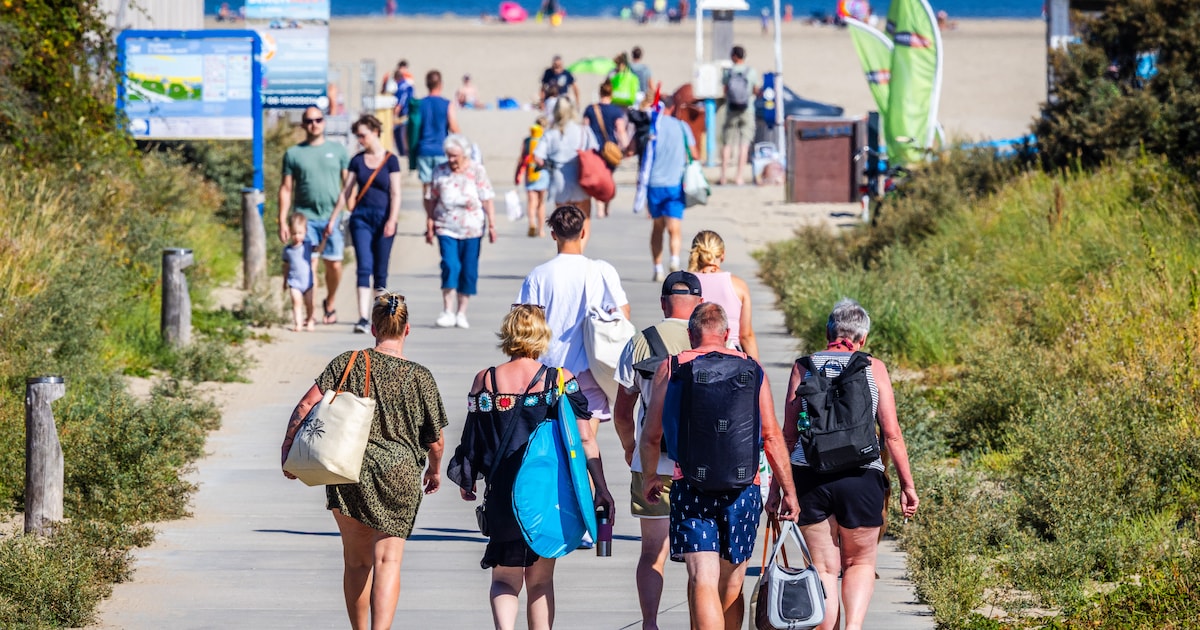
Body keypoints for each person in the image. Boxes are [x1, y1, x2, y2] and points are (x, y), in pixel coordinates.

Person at [281, 293, 448, 630]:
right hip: (400, 474)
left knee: (356, 563)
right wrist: (434, 469)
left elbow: (304, 407)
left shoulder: (348, 361)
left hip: (348, 471)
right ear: (407, 330)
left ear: (373, 328)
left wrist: (288, 448)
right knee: (388, 561)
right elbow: (435, 439)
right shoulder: (420, 377)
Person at [448, 305, 615, 630]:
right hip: (547, 495)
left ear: (508, 334)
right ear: (542, 335)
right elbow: (585, 439)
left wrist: (467, 479)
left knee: (505, 579)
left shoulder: (486, 380)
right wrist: (601, 489)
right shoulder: (560, 379)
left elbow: (473, 437)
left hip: (503, 495)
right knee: (540, 581)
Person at [638, 302, 799, 630]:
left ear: (690, 334)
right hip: (744, 489)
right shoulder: (753, 368)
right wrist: (789, 492)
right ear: (727, 335)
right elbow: (770, 435)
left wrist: (652, 476)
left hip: (691, 486)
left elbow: (651, 434)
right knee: (730, 583)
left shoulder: (672, 367)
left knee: (702, 578)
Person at [782, 299, 919, 630]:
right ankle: (853, 627)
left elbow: (788, 435)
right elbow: (892, 435)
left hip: (810, 476)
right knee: (859, 562)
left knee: (823, 568)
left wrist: (781, 489)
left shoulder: (804, 366)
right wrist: (907, 486)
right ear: (863, 338)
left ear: (828, 332)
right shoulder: (873, 367)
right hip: (862, 476)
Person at [613, 271, 703, 630]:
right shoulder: (715, 339)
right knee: (703, 557)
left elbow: (622, 412)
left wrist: (630, 447)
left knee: (652, 551)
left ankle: (650, 623)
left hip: (652, 462)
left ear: (663, 302)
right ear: (699, 302)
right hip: (703, 465)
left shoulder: (640, 342)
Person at [516, 205, 630, 433]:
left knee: (550, 441)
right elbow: (623, 314)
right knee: (587, 443)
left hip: (547, 370)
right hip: (590, 368)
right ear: (583, 232)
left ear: (553, 235)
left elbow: (524, 324)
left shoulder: (539, 275)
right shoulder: (601, 270)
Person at [279, 106, 350, 326]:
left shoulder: (338, 151)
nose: (314, 124)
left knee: (334, 265)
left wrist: (346, 210)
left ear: (324, 122)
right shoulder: (294, 153)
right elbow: (286, 188)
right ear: (303, 124)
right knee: (309, 265)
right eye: (309, 121)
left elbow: (347, 185)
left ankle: (330, 301)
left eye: (318, 120)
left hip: (331, 216)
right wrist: (282, 220)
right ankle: (310, 314)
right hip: (304, 217)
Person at [331, 115, 402, 334]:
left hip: (384, 218)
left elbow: (395, 192)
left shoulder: (391, 160)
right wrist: (333, 218)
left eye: (363, 135)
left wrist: (392, 219)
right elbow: (347, 191)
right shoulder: (357, 160)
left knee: (380, 271)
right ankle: (362, 317)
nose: (360, 139)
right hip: (361, 218)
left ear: (375, 132)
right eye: (358, 136)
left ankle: (378, 319)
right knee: (364, 267)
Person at [424, 134, 497, 330]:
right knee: (450, 264)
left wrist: (492, 224)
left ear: (464, 154)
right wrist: (429, 221)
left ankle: (461, 312)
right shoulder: (440, 171)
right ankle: (447, 310)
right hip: (445, 225)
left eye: (455, 156)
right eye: (448, 155)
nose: (451, 160)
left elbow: (487, 197)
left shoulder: (477, 170)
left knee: (468, 269)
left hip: (472, 227)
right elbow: (431, 198)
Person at [644, 95, 696, 282]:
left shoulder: (652, 127)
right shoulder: (682, 127)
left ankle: (657, 269)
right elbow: (695, 154)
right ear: (672, 108)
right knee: (674, 227)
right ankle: (674, 259)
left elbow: (643, 155)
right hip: (675, 183)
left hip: (653, 184)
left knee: (657, 227)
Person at [686, 230, 758, 359]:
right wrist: (758, 371)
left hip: (695, 353)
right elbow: (746, 335)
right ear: (722, 255)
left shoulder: (687, 283)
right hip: (731, 352)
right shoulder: (738, 285)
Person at [534, 98, 599, 218]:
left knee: (563, 223)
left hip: (559, 180)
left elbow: (538, 157)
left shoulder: (550, 133)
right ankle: (582, 237)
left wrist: (548, 165)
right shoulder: (583, 130)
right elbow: (595, 151)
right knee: (583, 220)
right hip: (580, 177)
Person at [582, 80, 630, 218]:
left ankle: (600, 208)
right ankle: (606, 203)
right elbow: (620, 130)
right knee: (607, 176)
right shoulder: (616, 110)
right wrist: (625, 147)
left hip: (594, 148)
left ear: (600, 92)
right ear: (612, 93)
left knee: (597, 176)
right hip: (611, 149)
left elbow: (584, 128)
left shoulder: (590, 109)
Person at [416, 70, 460, 200]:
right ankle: (438, 215)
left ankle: (429, 218)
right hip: (441, 150)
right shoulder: (447, 104)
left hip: (423, 149)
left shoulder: (420, 104)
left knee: (427, 187)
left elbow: (413, 128)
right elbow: (453, 127)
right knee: (442, 185)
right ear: (440, 84)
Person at [719, 45, 760, 186]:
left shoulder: (728, 72)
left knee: (727, 143)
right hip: (747, 109)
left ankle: (723, 176)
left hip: (731, 109)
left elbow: (724, 89)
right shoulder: (751, 72)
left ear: (733, 57)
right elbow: (756, 90)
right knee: (744, 144)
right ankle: (739, 177)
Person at [514, 116, 551, 238]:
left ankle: (532, 223)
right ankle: (541, 230)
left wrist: (517, 174)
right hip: (543, 173)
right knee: (541, 203)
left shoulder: (527, 140)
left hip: (530, 171)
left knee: (531, 201)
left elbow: (521, 158)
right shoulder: (546, 139)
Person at [281, 213, 316, 332]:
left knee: (309, 303)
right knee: (296, 302)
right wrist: (284, 281)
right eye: (294, 233)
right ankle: (298, 323)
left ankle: (310, 319)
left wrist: (325, 238)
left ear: (305, 232)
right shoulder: (288, 250)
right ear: (290, 232)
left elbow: (320, 249)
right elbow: (285, 266)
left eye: (300, 233)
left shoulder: (307, 246)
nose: (297, 236)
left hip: (308, 283)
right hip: (294, 281)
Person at [385, 61, 416, 159]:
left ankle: (404, 155)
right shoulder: (409, 84)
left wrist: (394, 115)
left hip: (403, 116)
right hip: (409, 114)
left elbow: (400, 103)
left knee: (401, 137)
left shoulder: (401, 87)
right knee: (406, 137)